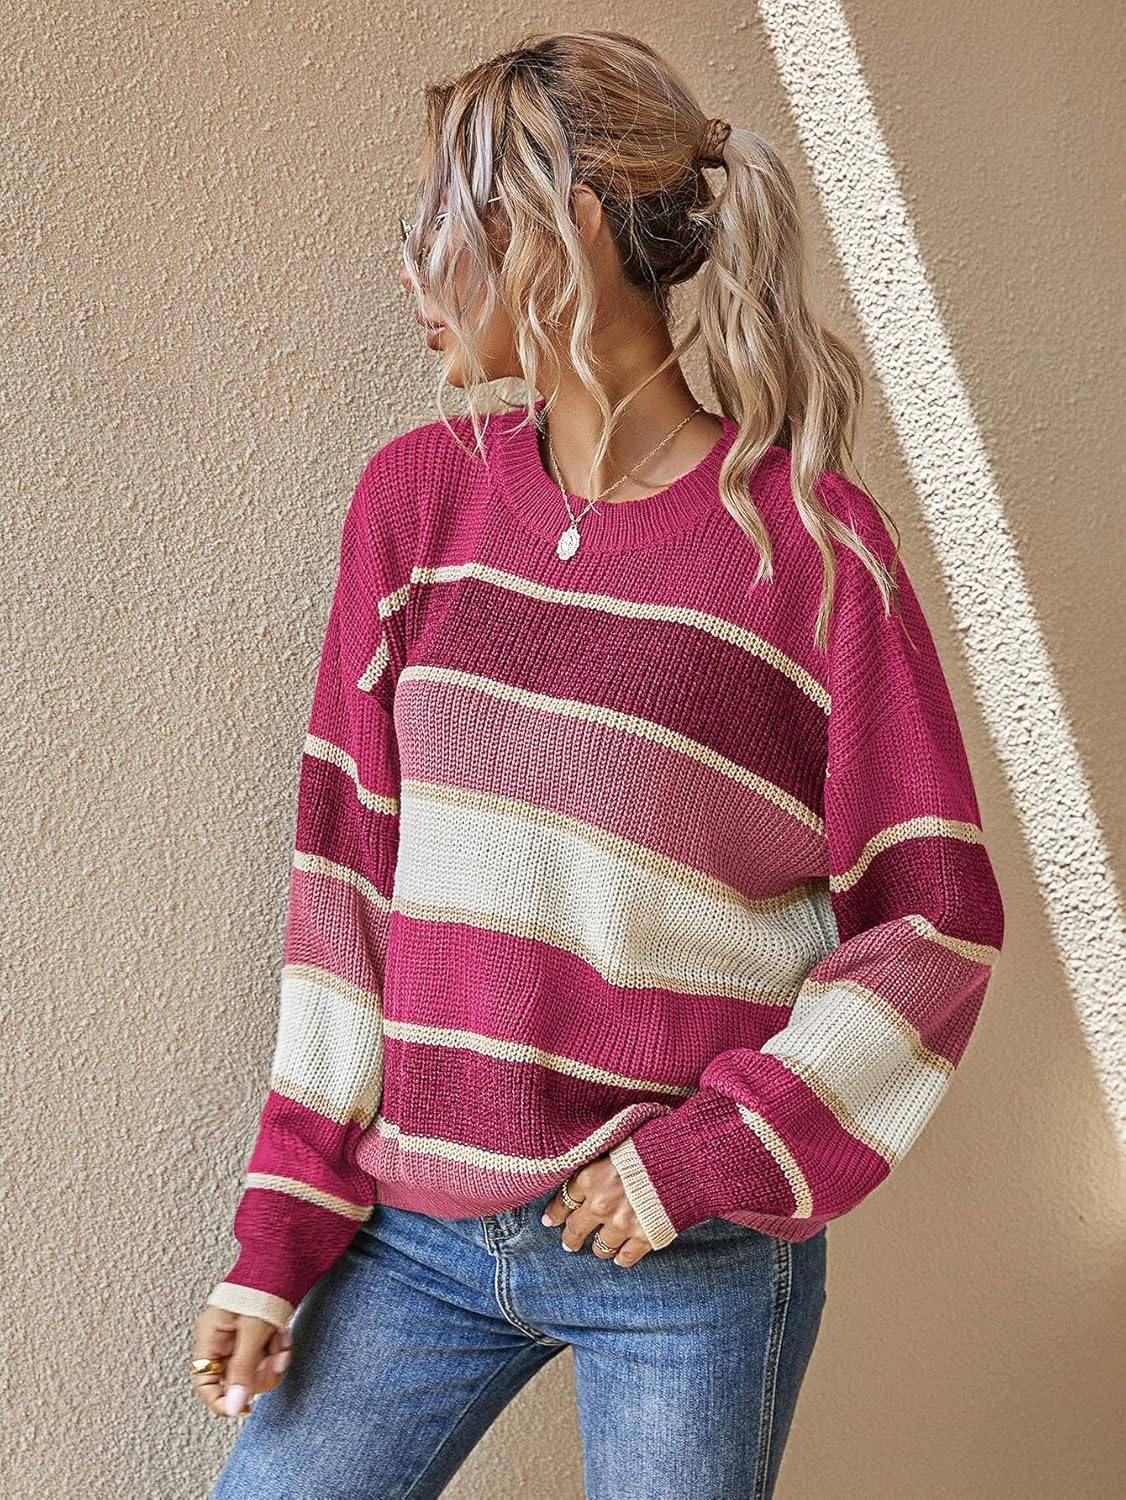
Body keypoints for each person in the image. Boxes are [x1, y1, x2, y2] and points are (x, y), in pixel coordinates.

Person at [193, 28, 1005, 1499]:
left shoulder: (812, 552)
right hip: (419, 1232)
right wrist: (279, 1234)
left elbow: (933, 920)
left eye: (438, 220)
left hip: (682, 1258)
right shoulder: (418, 503)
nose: (409, 266)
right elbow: (343, 887)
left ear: (563, 226)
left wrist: (703, 1158)